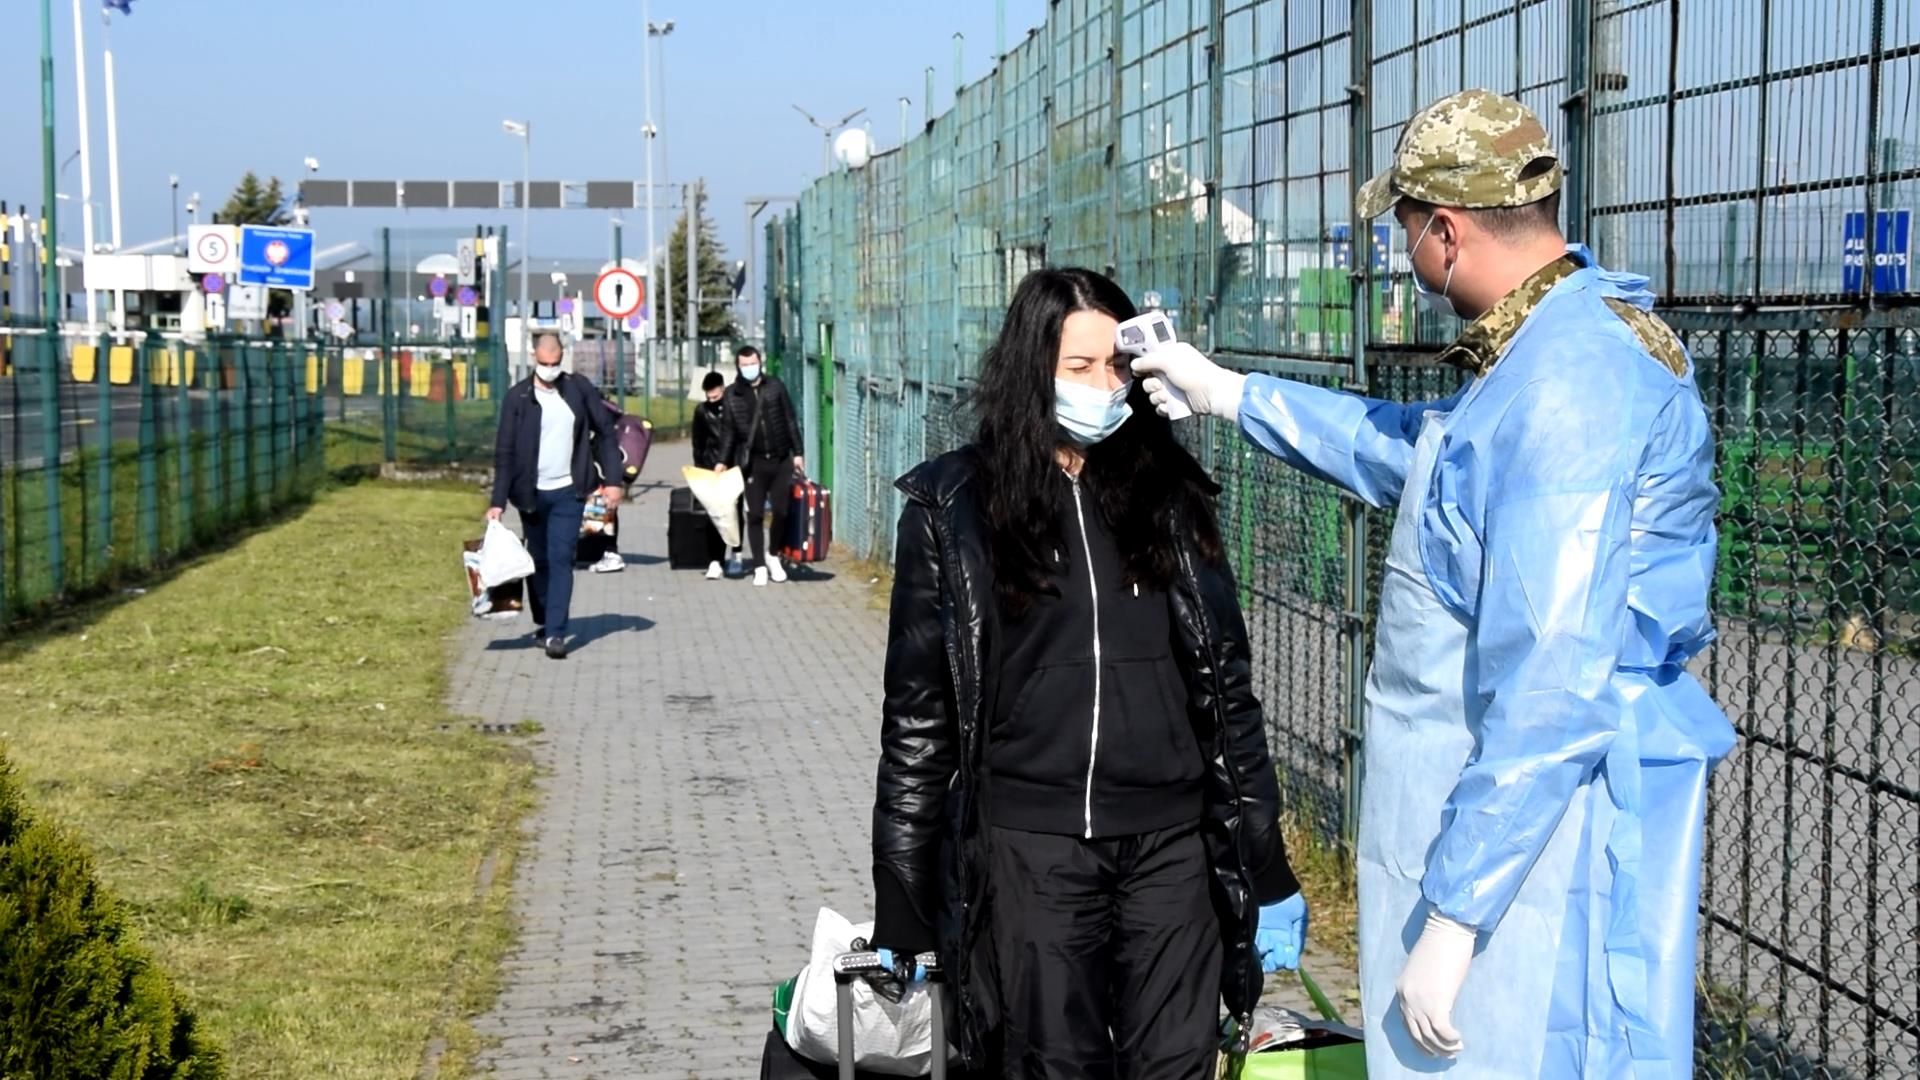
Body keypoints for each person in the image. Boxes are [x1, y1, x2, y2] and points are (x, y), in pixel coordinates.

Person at [1132, 89, 1736, 1079]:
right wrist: (1231, 392)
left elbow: (1552, 680)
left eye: (1405, 230)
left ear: (1446, 233)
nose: (1403, 254)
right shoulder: (1541, 348)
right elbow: (1424, 463)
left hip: (1548, 846)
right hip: (1510, 829)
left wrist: (1456, 916)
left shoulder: (1569, 387)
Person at [871, 268, 1308, 1079]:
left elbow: (1225, 689)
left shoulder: (1168, 495)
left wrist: (1264, 860)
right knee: (1053, 1065)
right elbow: (918, 725)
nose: (1103, 387)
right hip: (1034, 849)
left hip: (1171, 848)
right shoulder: (955, 507)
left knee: (1176, 1065)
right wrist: (903, 907)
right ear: (1028, 371)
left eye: (1116, 367)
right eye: (1079, 368)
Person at [487, 332, 625, 660]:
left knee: (562, 557)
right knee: (539, 561)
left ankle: (556, 633)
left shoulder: (578, 390)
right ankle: (545, 620)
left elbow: (605, 432)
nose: (550, 369)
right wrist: (497, 501)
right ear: (534, 358)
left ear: (562, 358)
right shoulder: (517, 398)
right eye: (544, 363)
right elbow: (504, 452)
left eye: (556, 363)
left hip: (569, 490)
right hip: (531, 494)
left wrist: (613, 480)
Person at [714, 346, 803, 587]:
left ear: (760, 363)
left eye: (752, 363)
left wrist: (798, 453)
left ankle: (773, 554)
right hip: (752, 463)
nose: (749, 368)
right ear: (738, 367)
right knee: (754, 513)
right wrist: (722, 461)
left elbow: (790, 419)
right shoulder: (733, 395)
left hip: (781, 458)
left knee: (782, 511)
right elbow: (728, 432)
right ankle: (759, 565)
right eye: (744, 365)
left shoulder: (775, 387)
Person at [691, 369, 744, 580]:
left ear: (723, 389)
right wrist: (700, 470)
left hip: (734, 468)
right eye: (708, 397)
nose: (712, 400)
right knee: (714, 515)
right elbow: (698, 443)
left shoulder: (734, 408)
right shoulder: (702, 412)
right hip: (710, 468)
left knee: (735, 512)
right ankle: (715, 560)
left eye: (715, 396)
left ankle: (736, 554)